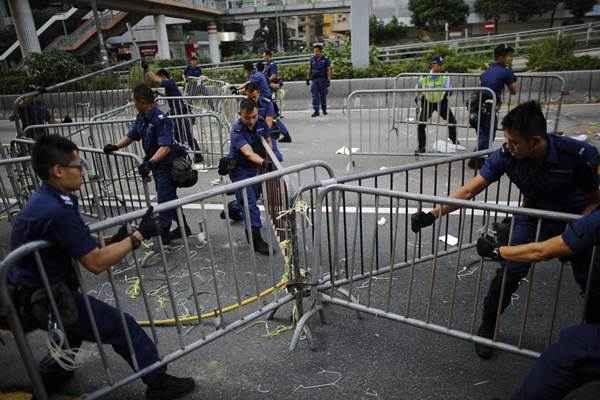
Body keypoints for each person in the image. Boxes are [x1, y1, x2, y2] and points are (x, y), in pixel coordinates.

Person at [7, 134, 195, 399]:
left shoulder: (50, 197)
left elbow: (78, 241)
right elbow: (95, 262)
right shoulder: (55, 209)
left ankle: (54, 372)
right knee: (122, 327)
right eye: (78, 165)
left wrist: (115, 239)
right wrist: (137, 237)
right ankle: (158, 382)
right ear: (58, 171)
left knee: (71, 330)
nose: (83, 171)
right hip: (43, 296)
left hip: (38, 288)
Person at [410, 101, 600, 360]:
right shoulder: (507, 155)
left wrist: (586, 223)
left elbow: (594, 197)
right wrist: (432, 214)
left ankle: (592, 339)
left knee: (591, 279)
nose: (508, 145)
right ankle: (488, 325)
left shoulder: (577, 154)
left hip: (573, 219)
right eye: (507, 140)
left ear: (534, 142)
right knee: (511, 270)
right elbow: (470, 190)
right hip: (532, 215)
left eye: (514, 142)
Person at [477, 211, 600, 400]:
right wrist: (432, 214)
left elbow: (543, 251)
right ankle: (488, 324)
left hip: (567, 225)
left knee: (566, 354)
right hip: (546, 221)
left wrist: (498, 251)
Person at [104, 83, 192, 245]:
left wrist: (150, 163)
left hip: (167, 165)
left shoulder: (160, 119)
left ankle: (163, 235)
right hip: (156, 165)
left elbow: (165, 147)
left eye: (135, 101)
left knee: (164, 202)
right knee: (169, 198)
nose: (133, 104)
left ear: (143, 101)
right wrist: (115, 146)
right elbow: (132, 135)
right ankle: (183, 228)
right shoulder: (143, 117)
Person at [222, 98, 274, 255]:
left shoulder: (260, 122)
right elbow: (248, 153)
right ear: (240, 114)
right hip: (240, 170)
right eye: (247, 117)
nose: (251, 121)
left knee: (251, 197)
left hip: (256, 168)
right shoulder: (237, 129)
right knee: (250, 203)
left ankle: (234, 209)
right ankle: (255, 238)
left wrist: (269, 158)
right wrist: (265, 163)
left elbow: (268, 141)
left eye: (254, 116)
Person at [469, 44, 517, 169]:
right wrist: (511, 75)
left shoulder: (488, 70)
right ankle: (475, 160)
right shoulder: (505, 71)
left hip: (476, 106)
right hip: (488, 107)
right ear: (501, 57)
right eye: (509, 56)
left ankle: (477, 158)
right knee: (488, 134)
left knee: (484, 133)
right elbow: (513, 90)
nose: (511, 58)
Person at [144, 66, 203, 163]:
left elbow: (156, 79)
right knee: (177, 135)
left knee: (185, 135)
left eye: (160, 78)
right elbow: (170, 95)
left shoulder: (170, 83)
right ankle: (186, 155)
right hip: (176, 112)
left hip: (180, 112)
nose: (159, 82)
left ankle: (197, 155)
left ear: (163, 76)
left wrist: (148, 69)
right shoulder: (169, 86)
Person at [415, 55, 458, 153]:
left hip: (441, 101)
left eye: (442, 64)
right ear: (433, 65)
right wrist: (418, 97)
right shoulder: (425, 75)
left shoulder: (444, 75)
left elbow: (449, 89)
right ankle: (421, 147)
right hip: (428, 102)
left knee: (452, 121)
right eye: (439, 64)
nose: (441, 67)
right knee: (421, 124)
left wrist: (448, 90)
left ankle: (454, 142)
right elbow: (417, 88)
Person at [244, 81, 288, 161]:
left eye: (254, 97)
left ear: (259, 93)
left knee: (276, 157)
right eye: (250, 98)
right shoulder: (244, 105)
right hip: (251, 133)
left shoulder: (267, 103)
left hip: (267, 132)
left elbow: (268, 123)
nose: (252, 100)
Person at [307, 43, 331, 118]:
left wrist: (328, 80)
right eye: (314, 51)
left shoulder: (325, 59)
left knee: (323, 95)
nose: (315, 53)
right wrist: (307, 78)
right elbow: (309, 69)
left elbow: (328, 70)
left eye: (317, 51)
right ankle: (316, 111)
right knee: (315, 96)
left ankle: (324, 109)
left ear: (320, 51)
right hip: (314, 80)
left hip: (323, 79)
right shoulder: (312, 59)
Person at [263, 49, 283, 116]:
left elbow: (273, 76)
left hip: (272, 84)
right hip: (268, 84)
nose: (263, 58)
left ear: (268, 56)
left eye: (264, 56)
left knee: (267, 96)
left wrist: (266, 81)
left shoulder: (272, 64)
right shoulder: (267, 65)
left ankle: (275, 111)